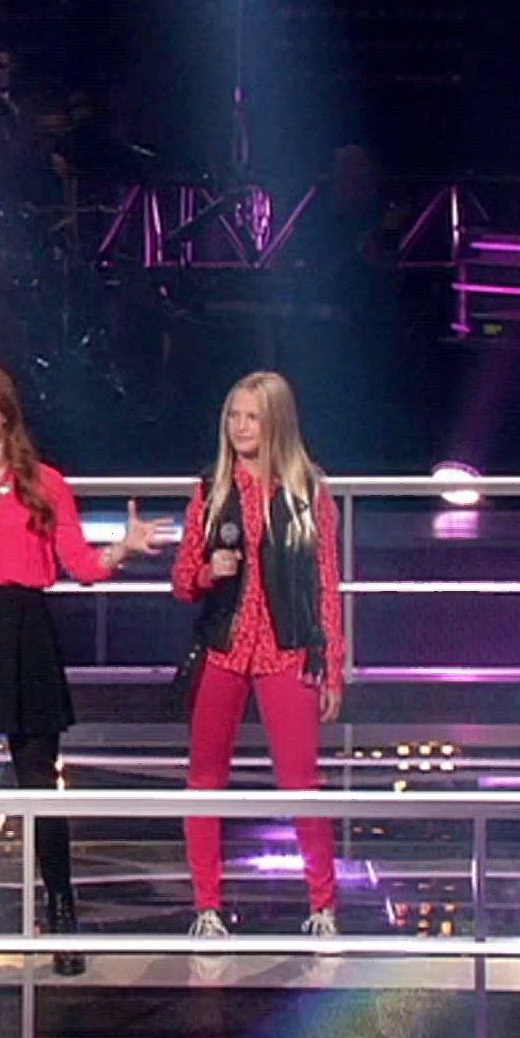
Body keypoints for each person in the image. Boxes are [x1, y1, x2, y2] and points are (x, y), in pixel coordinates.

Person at [0, 360, 171, 977]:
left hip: (26, 630)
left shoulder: (46, 482)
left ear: (3, 414)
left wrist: (123, 550)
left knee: (38, 785)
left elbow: (79, 563)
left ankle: (62, 915)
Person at [170, 371, 347, 939]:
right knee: (205, 780)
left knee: (301, 782)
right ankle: (207, 907)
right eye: (234, 416)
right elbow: (182, 581)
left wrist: (332, 667)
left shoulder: (308, 492)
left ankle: (322, 906)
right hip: (223, 648)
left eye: (252, 417)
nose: (241, 427)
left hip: (287, 649)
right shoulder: (211, 489)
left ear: (277, 424)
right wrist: (208, 571)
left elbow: (326, 584)